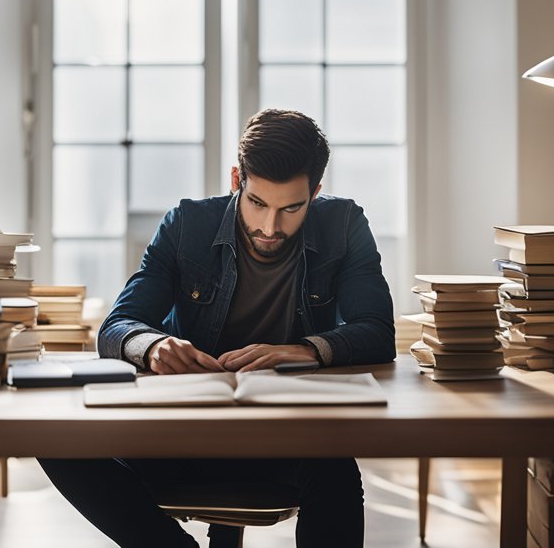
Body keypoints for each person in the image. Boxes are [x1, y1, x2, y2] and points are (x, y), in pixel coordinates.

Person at [40, 109, 396, 548]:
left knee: (337, 471)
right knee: (53, 440)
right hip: (186, 432)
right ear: (236, 180)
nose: (270, 227)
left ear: (316, 193)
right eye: (258, 203)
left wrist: (307, 349)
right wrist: (152, 346)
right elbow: (116, 327)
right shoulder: (186, 224)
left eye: (292, 208)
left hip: (286, 435)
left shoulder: (344, 225)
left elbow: (378, 331)